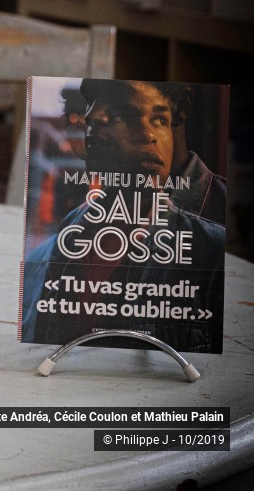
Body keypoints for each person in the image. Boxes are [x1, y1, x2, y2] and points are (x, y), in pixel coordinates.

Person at [21, 79, 227, 352]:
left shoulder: (218, 225)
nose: (93, 117)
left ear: (180, 110)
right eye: (90, 105)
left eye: (119, 107)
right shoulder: (74, 227)